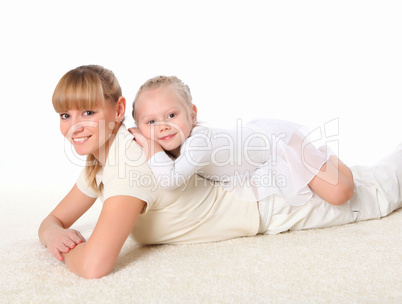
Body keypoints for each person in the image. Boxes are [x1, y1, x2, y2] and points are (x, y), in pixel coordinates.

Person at [38, 65, 402, 279]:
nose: (75, 126)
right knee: (371, 177)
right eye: (65, 115)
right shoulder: (100, 162)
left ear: (118, 110)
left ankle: (312, 153)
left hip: (266, 202)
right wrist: (52, 233)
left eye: (88, 113)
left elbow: (95, 264)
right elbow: (55, 218)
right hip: (254, 186)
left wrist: (62, 251)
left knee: (374, 193)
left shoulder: (129, 161)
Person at [130, 76, 354, 206]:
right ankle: (319, 163)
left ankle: (327, 157)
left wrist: (150, 146)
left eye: (171, 115)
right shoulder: (173, 143)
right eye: (151, 122)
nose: (163, 126)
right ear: (138, 125)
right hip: (254, 148)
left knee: (339, 194)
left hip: (276, 142)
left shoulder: (199, 142)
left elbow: (170, 180)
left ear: (192, 114)